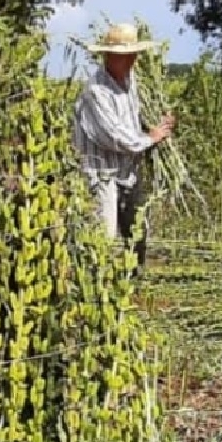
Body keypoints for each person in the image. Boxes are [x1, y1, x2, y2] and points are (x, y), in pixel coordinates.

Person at [73, 23, 175, 271]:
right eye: (123, 56)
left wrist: (159, 123)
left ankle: (133, 280)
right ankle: (96, 287)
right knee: (103, 236)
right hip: (101, 173)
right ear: (108, 56)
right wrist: (151, 137)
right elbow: (115, 136)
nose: (130, 61)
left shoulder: (131, 80)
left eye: (132, 55)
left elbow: (134, 118)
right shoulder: (95, 91)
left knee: (137, 228)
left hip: (127, 169)